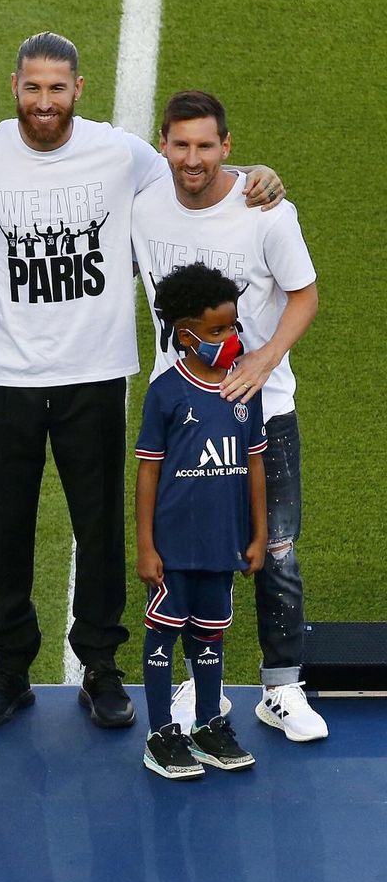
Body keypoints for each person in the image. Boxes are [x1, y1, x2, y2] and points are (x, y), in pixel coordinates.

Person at [0, 32, 282, 730]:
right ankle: (10, 668)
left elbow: (196, 176)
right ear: (14, 88)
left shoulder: (121, 153)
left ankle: (100, 667)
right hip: (3, 376)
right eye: (32, 87)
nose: (44, 101)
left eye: (56, 88)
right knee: (3, 529)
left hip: (94, 374)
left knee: (99, 529)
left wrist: (256, 174)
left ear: (78, 89)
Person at [132, 90, 327, 742]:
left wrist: (264, 360)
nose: (193, 159)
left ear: (227, 146)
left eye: (206, 146)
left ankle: (281, 688)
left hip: (263, 410)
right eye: (181, 145)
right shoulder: (143, 207)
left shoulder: (266, 212)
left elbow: (304, 295)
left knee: (276, 549)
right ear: (162, 145)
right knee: (188, 552)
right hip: (182, 419)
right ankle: (199, 684)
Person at [135, 264, 266, 778]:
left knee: (210, 637)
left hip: (222, 545)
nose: (229, 337)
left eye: (232, 326)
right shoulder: (166, 393)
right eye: (217, 330)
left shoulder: (244, 390)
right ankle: (161, 735)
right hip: (174, 548)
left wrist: (258, 534)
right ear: (186, 335)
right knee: (164, 635)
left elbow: (254, 465)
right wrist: (146, 545)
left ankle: (208, 725)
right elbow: (148, 471)